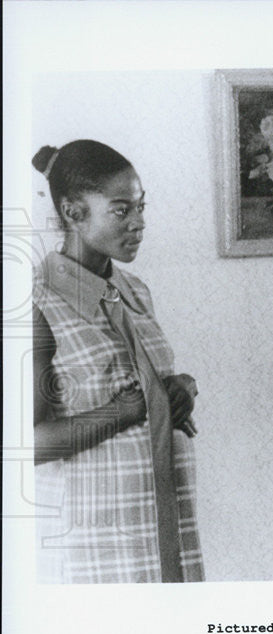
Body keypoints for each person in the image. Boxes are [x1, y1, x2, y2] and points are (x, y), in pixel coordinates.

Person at [32, 140, 203, 583]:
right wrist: (125, 410)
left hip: (167, 527)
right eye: (121, 210)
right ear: (73, 212)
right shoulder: (36, 300)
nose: (139, 224)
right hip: (95, 545)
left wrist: (183, 386)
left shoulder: (136, 292)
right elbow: (25, 443)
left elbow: (151, 381)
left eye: (141, 208)